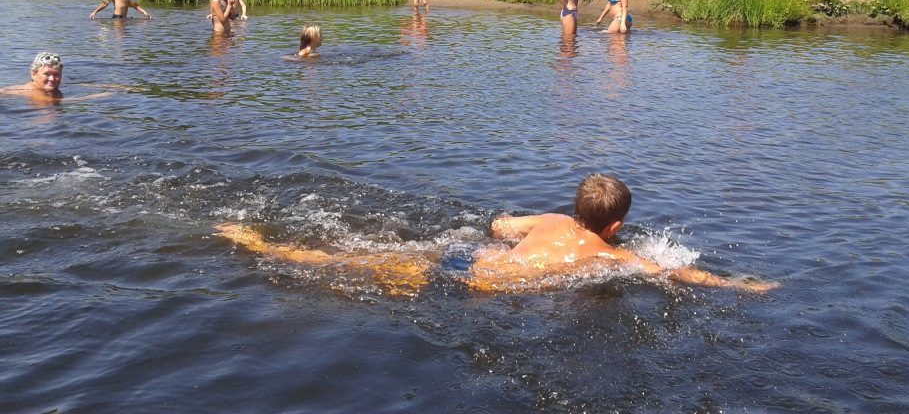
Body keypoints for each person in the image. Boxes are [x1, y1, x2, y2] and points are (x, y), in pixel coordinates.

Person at [215, 174, 778, 295]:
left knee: (350, 259)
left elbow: (498, 225)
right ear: (616, 226)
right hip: (478, 286)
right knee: (348, 271)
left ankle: (258, 240)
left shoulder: (552, 221)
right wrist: (742, 286)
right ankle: (263, 246)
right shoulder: (615, 255)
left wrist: (507, 230)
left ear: (574, 208)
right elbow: (677, 271)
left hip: (464, 258)